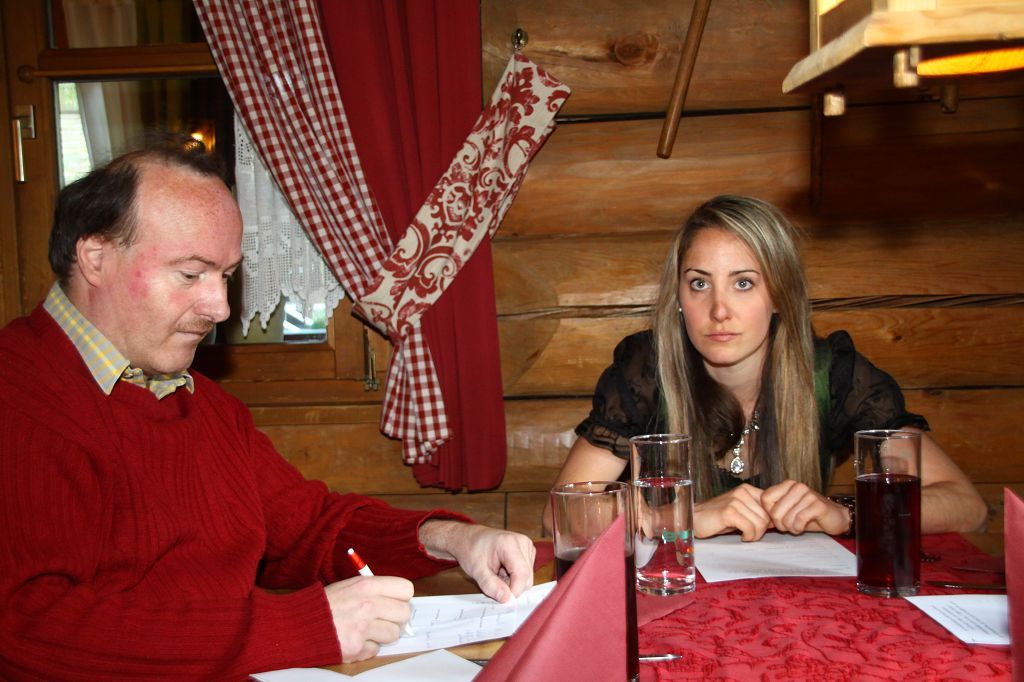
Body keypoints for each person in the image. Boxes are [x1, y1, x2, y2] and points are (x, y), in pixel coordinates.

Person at [0, 136, 535, 680]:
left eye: (226, 276)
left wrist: (447, 538)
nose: (219, 307)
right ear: (95, 258)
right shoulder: (19, 400)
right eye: (190, 274)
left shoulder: (201, 403)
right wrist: (302, 627)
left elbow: (307, 528)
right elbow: (27, 628)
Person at [544, 195, 986, 541]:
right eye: (699, 283)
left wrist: (845, 514)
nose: (719, 310)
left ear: (778, 296)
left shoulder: (833, 375)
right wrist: (680, 518)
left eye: (743, 283)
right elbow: (560, 516)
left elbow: (966, 505)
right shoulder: (647, 371)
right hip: (676, 596)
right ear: (678, 298)